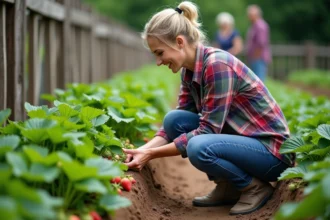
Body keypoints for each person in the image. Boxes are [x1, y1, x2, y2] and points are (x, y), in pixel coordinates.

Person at [123, 1, 295, 216]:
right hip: (245, 141)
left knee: (198, 147)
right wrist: (142, 150)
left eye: (159, 53)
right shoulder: (189, 71)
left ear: (179, 42)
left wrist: (151, 154)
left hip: (271, 154)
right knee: (174, 120)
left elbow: (207, 132)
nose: (158, 61)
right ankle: (228, 186)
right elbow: (175, 126)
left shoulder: (217, 65)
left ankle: (253, 187)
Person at [246, 5, 271, 82]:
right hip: (256, 58)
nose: (248, 17)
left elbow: (261, 44)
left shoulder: (260, 26)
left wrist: (255, 57)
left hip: (258, 58)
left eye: (250, 15)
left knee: (258, 82)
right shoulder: (255, 25)